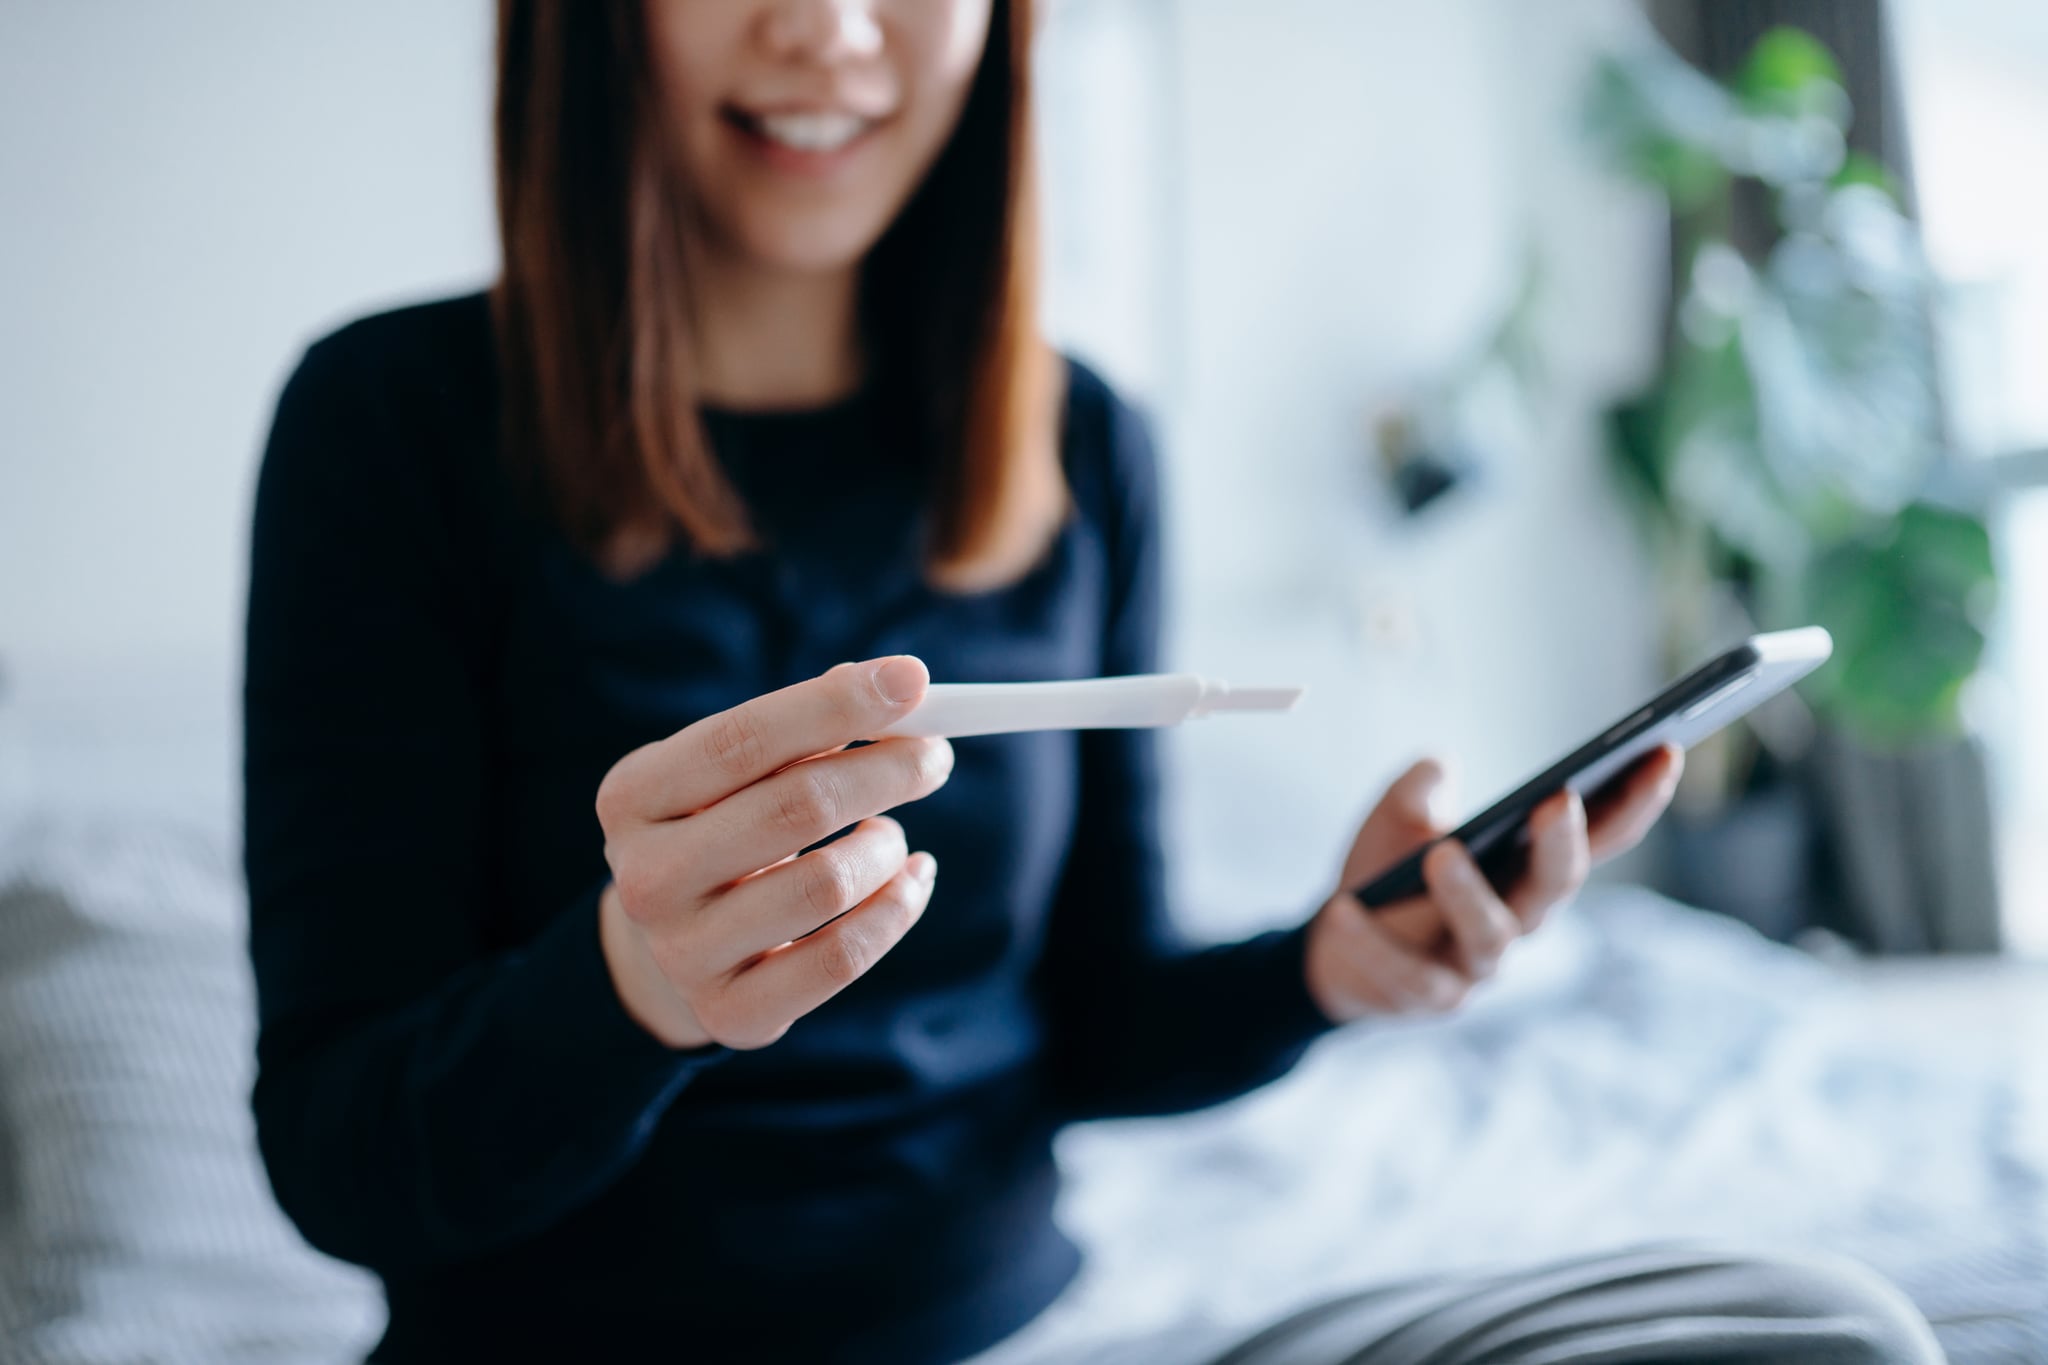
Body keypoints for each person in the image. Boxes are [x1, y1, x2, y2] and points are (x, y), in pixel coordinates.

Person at [241, 2, 1945, 1362]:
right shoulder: (387, 428)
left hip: (1025, 1328)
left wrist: (1323, 967)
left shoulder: (1079, 445)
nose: (830, 30)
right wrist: (630, 983)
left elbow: (1089, 1018)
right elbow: (340, 1156)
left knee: (1825, 1329)